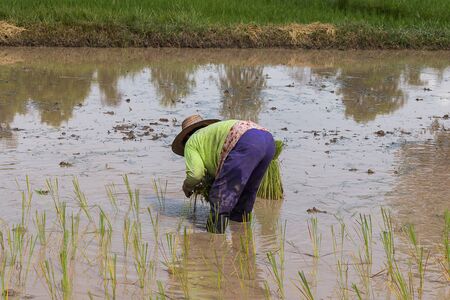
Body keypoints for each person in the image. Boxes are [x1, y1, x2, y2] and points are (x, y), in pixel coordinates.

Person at [172, 115, 275, 233]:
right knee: (245, 195)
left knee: (220, 196)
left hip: (246, 142)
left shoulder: (191, 141)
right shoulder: (213, 132)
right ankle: (242, 240)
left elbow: (196, 174)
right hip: (268, 141)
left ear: (186, 136)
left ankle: (214, 240)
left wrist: (187, 186)